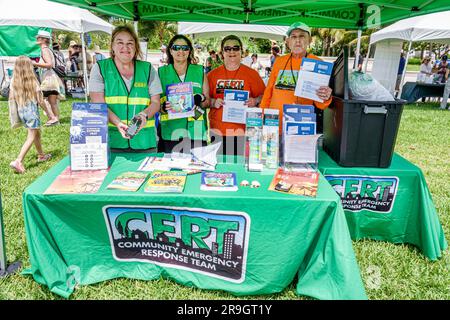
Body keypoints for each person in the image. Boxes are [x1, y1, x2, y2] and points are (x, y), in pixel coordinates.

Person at [89, 24, 162, 152]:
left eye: (130, 43)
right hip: (112, 142)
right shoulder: (100, 68)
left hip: (145, 142)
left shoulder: (148, 69)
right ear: (112, 46)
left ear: (136, 47)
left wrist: (144, 115)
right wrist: (117, 123)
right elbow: (98, 103)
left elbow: (156, 103)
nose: (125, 47)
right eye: (120, 42)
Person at [260, 22, 332, 133]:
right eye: (293, 37)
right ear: (288, 42)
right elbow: (268, 92)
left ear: (309, 40)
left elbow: (320, 104)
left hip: (299, 126)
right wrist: (262, 115)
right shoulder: (279, 61)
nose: (297, 40)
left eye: (302, 36)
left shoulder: (318, 63)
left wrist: (326, 97)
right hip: (274, 124)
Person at [207, 35, 266, 155]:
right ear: (222, 53)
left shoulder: (252, 74)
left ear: (241, 52)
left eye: (236, 48)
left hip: (243, 132)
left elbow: (264, 96)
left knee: (240, 170)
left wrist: (255, 100)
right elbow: (204, 100)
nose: (232, 51)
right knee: (218, 170)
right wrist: (213, 102)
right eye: (227, 48)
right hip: (218, 131)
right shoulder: (212, 75)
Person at [158, 34, 211, 153]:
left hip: (196, 132)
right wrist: (163, 108)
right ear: (170, 50)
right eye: (176, 47)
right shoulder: (161, 73)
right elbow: (155, 104)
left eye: (185, 48)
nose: (181, 51)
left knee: (196, 169)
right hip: (171, 132)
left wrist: (199, 101)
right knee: (171, 170)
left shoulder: (199, 71)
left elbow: (207, 101)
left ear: (189, 51)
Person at [9, 56, 52, 174]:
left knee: (36, 133)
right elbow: (40, 100)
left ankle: (41, 155)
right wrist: (49, 113)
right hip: (32, 112)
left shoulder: (14, 80)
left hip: (22, 112)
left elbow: (11, 98)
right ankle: (18, 160)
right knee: (31, 136)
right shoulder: (32, 80)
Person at [32, 29, 63, 126]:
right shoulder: (48, 49)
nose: (37, 38)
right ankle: (56, 120)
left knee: (40, 98)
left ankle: (52, 118)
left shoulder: (44, 50)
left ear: (43, 39)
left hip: (49, 78)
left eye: (39, 37)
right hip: (53, 78)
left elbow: (49, 64)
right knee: (52, 101)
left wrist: (35, 63)